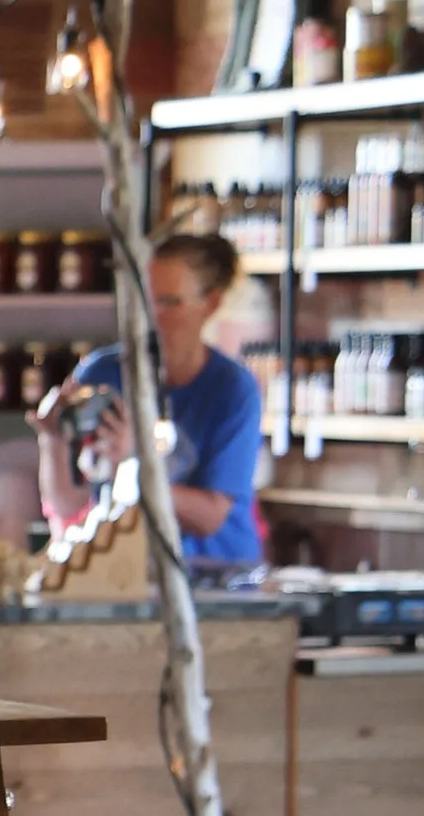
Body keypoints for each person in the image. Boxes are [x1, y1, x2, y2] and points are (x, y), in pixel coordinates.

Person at [33, 226, 266, 573]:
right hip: (125, 567)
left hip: (215, 572)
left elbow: (210, 516)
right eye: (145, 299)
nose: (153, 316)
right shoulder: (102, 374)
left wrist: (134, 461)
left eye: (170, 303)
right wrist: (51, 439)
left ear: (210, 304)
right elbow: (67, 506)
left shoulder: (231, 389)